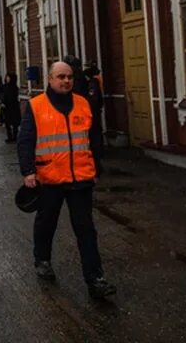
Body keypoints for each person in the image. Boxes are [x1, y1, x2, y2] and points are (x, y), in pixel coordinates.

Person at [16, 61, 115, 299]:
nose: (66, 81)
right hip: (50, 177)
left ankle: (95, 279)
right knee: (46, 223)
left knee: (86, 230)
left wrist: (96, 167)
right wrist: (28, 171)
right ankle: (42, 259)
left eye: (69, 77)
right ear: (50, 79)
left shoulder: (83, 103)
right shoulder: (36, 106)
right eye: (60, 76)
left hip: (80, 178)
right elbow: (25, 140)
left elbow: (93, 138)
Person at [2, 73, 20, 143]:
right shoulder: (4, 87)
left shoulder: (15, 88)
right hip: (6, 107)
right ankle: (9, 136)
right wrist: (2, 102)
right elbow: (2, 95)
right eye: (6, 77)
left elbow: (14, 97)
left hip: (13, 107)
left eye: (8, 77)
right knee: (7, 123)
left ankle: (15, 137)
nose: (7, 79)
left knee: (14, 123)